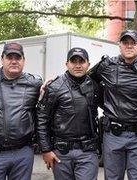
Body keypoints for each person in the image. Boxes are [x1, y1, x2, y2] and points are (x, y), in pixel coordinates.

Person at [89, 29, 137, 180]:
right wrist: (104, 102)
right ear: (119, 45)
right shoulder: (107, 65)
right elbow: (88, 79)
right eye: (125, 42)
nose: (129, 46)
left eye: (133, 43)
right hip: (113, 134)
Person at [0, 42, 42, 180]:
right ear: (2, 59)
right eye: (10, 57)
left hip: (23, 154)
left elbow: (46, 112)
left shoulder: (35, 84)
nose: (14, 61)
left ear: (24, 60)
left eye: (18, 57)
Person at [36, 47, 101, 180]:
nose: (77, 65)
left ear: (88, 64)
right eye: (73, 61)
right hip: (61, 152)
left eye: (81, 61)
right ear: (67, 64)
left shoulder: (95, 86)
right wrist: (46, 150)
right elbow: (42, 119)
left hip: (87, 151)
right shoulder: (54, 87)